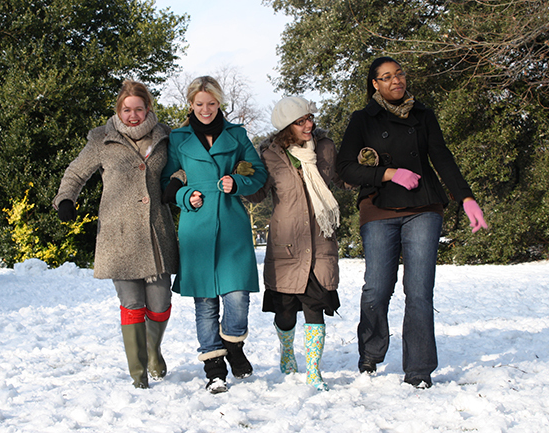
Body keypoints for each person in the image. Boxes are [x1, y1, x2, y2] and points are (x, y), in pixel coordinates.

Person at [336, 57, 488, 389]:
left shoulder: (423, 114)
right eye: (387, 77)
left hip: (424, 205)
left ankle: (419, 369)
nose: (396, 81)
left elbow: (442, 156)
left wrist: (466, 197)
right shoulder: (363, 119)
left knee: (418, 290)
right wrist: (388, 173)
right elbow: (345, 167)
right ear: (374, 84)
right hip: (379, 208)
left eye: (400, 74)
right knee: (377, 287)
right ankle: (371, 351)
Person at [53, 80, 179, 389]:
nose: (133, 115)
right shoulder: (101, 139)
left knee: (160, 304)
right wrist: (65, 198)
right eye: (127, 110)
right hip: (118, 235)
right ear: (118, 111)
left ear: (148, 109)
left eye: (138, 109)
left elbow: (183, 166)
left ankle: (153, 352)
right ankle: (138, 372)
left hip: (155, 232)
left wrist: (177, 180)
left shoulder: (165, 137)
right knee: (132, 303)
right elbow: (76, 172)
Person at [161, 76, 268, 394]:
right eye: (199, 104)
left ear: (219, 103)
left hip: (233, 224)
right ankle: (214, 368)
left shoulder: (236, 135)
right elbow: (169, 181)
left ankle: (234, 345)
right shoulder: (178, 139)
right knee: (205, 303)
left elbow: (258, 172)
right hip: (197, 227)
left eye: (211, 103)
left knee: (238, 298)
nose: (205, 109)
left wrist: (238, 183)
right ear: (191, 104)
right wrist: (185, 197)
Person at [246, 97, 341, 391]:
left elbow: (343, 178)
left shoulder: (325, 148)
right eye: (301, 121)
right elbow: (256, 194)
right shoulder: (269, 155)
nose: (309, 124)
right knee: (285, 312)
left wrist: (369, 164)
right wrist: (241, 177)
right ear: (287, 126)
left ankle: (314, 370)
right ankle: (287, 351)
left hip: (321, 242)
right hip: (286, 245)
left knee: (316, 307)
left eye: (310, 118)